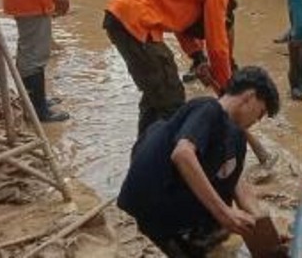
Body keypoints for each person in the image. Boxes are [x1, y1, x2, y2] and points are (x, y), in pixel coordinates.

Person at [104, 0, 254, 137]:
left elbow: (180, 23)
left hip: (124, 14)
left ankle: (145, 148)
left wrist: (197, 57)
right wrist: (225, 89)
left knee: (157, 92)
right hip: (134, 22)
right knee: (171, 100)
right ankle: (167, 151)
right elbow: (217, 44)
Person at [118, 66, 281, 258]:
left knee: (222, 230)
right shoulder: (208, 109)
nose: (258, 120)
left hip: (178, 218)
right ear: (250, 97)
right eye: (261, 112)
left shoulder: (236, 137)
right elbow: (182, 154)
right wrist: (225, 213)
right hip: (151, 215)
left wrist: (265, 229)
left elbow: (236, 182)